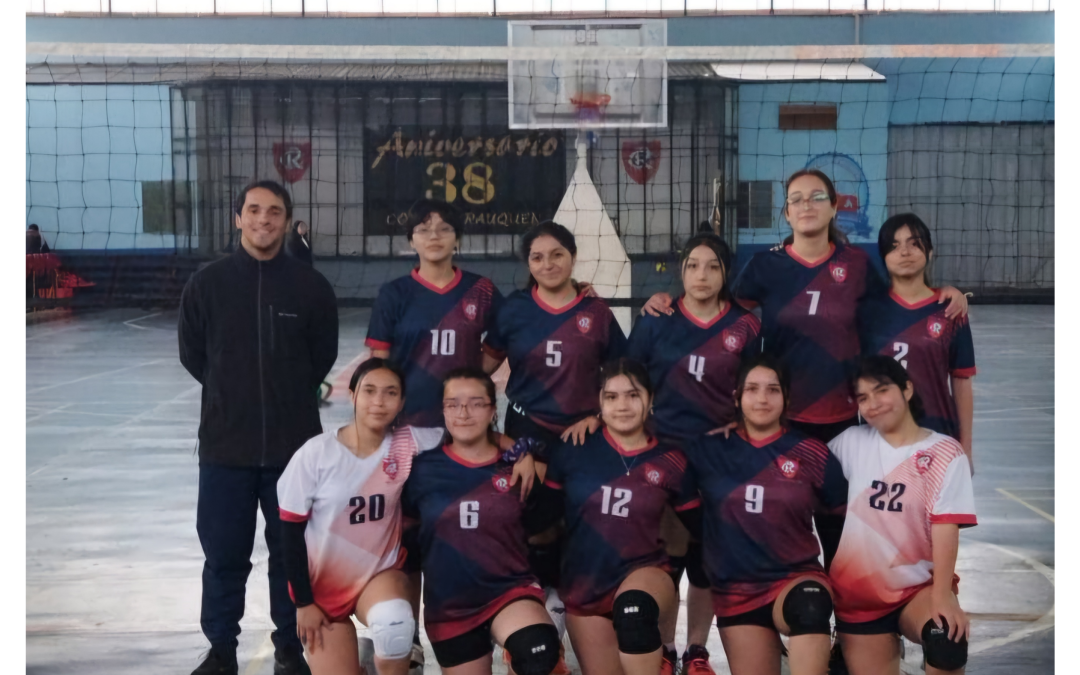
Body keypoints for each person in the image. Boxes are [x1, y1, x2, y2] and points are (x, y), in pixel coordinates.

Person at [277, 359, 536, 675]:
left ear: (401, 402)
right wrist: (303, 604)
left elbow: (470, 431)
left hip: (378, 575)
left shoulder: (407, 442)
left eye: (390, 393)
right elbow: (289, 536)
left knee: (394, 625)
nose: (379, 401)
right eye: (369, 391)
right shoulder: (315, 455)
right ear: (353, 394)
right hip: (322, 588)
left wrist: (518, 451)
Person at [178, 179, 338, 675]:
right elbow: (195, 356)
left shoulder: (311, 287)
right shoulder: (207, 284)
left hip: (296, 452)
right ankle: (221, 647)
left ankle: (290, 647)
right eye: (253, 210)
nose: (263, 220)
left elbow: (320, 359)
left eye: (273, 211)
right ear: (238, 218)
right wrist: (235, 394)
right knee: (224, 555)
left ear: (287, 220)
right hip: (226, 447)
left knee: (291, 557)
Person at [624, 231, 761, 674]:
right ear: (681, 271)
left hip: (721, 458)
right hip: (664, 455)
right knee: (666, 556)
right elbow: (630, 381)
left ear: (726, 273)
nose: (702, 275)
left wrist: (741, 425)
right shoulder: (657, 319)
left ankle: (696, 650)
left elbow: (758, 384)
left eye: (713, 266)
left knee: (707, 556)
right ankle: (664, 648)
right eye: (693, 265)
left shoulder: (746, 326)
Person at [680, 353, 848, 675]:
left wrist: (847, 610)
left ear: (786, 397)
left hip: (796, 577)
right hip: (737, 590)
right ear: (737, 397)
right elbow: (680, 504)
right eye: (752, 389)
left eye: (772, 389)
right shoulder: (708, 450)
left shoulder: (812, 452)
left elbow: (840, 528)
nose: (762, 398)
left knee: (810, 605)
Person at [531, 358, 699, 675]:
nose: (622, 405)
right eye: (611, 397)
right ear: (599, 403)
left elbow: (701, 528)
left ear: (650, 399)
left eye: (632, 395)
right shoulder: (573, 448)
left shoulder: (671, 458)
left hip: (646, 573)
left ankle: (658, 656)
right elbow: (544, 522)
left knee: (634, 614)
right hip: (585, 585)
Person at [401, 368, 560, 675]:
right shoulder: (421, 470)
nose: (464, 412)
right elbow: (407, 543)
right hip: (451, 606)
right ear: (443, 410)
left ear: (492, 409)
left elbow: (545, 532)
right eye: (453, 404)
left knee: (537, 650)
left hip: (509, 591)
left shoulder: (516, 468)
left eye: (476, 403)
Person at [828, 356, 975, 675]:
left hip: (917, 590)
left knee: (945, 636)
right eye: (863, 398)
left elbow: (946, 527)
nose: (873, 404)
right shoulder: (849, 443)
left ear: (907, 389)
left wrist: (942, 596)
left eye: (881, 391)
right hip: (859, 596)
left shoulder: (945, 452)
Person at [366, 199, 503, 427]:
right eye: (423, 230)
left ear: (457, 238)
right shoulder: (394, 294)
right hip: (408, 420)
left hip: (465, 419)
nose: (434, 236)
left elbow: (504, 337)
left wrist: (473, 376)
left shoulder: (481, 290)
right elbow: (380, 363)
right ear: (411, 240)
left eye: (444, 229)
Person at [858, 214, 976, 471]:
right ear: (884, 257)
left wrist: (965, 447)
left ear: (930, 251)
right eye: (895, 245)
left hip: (937, 434)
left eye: (914, 243)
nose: (905, 252)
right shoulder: (866, 311)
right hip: (881, 437)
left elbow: (962, 380)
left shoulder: (951, 310)